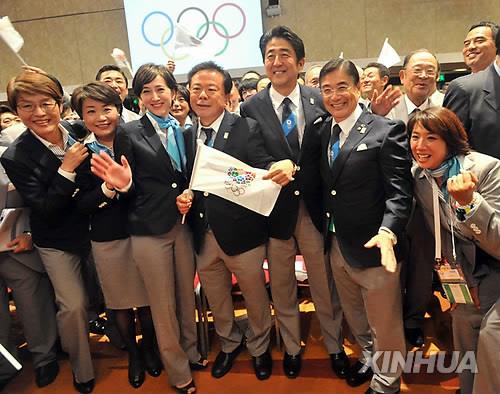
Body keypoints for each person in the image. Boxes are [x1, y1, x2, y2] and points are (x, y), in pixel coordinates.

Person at [240, 25, 347, 380]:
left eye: (284, 54)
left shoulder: (321, 99)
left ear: (300, 62)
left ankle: (334, 345)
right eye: (270, 55)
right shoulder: (249, 108)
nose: (276, 61)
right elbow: (249, 157)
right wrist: (271, 167)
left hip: (315, 209)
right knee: (282, 285)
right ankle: (291, 346)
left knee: (323, 283)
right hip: (274, 211)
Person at [89, 63, 202, 394]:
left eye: (161, 89)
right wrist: (123, 186)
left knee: (185, 297)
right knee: (162, 304)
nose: (155, 97)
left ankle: (192, 352)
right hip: (148, 231)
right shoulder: (129, 133)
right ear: (138, 98)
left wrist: (189, 194)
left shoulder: (184, 129)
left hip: (182, 226)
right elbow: (129, 185)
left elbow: (185, 177)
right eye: (147, 91)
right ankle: (179, 373)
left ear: (173, 92)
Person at [318, 58, 412, 394]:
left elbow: (400, 193)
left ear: (359, 88)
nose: (335, 96)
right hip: (337, 245)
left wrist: (388, 231)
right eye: (326, 89)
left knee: (384, 321)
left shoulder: (386, 130)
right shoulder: (322, 129)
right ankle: (369, 358)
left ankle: (388, 381)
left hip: (376, 247)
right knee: (355, 315)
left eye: (342, 87)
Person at [178, 61, 275, 380]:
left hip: (242, 233)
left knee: (255, 296)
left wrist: (278, 168)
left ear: (226, 94)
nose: (202, 95)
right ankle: (230, 344)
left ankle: (260, 348)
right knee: (217, 298)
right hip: (202, 234)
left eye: (210, 89)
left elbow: (261, 169)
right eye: (196, 89)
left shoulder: (246, 128)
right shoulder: (186, 134)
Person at [1, 70, 95, 393]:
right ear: (16, 111)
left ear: (60, 103)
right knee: (73, 305)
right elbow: (44, 207)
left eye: (46, 103)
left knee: (106, 296)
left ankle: (125, 343)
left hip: (96, 230)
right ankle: (83, 372)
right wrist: (66, 168)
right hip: (55, 239)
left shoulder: (80, 130)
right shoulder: (15, 155)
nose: (39, 113)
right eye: (27, 106)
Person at [71, 82, 160, 389]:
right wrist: (108, 189)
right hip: (107, 237)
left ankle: (150, 348)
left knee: (148, 299)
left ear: (118, 109)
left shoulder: (135, 137)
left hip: (143, 232)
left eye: (106, 109)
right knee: (121, 302)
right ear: (82, 117)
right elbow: (81, 204)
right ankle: (133, 353)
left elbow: (147, 186)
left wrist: (127, 185)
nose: (101, 117)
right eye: (91, 112)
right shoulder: (80, 154)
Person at [408, 106, 500, 394]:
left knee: (490, 344)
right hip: (472, 272)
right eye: (414, 137)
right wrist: (462, 283)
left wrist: (469, 204)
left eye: (431, 137)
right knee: (464, 333)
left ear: (450, 140)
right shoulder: (420, 177)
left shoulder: (486, 169)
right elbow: (444, 237)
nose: (420, 146)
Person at [0, 163, 58, 391]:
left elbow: (45, 201)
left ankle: (45, 358)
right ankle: (5, 365)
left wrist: (30, 234)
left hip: (17, 250)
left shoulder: (13, 155)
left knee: (34, 308)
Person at [443, 29, 500, 160]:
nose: (471, 47)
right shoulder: (463, 89)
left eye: (479, 41)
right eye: (467, 43)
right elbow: (451, 146)